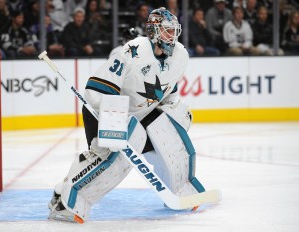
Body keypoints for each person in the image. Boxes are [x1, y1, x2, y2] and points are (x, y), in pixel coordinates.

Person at [48, 7, 205, 223]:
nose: (173, 36)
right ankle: (65, 198)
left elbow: (169, 95)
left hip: (141, 115)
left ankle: (181, 187)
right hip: (105, 113)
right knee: (111, 160)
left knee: (179, 115)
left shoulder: (180, 56)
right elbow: (95, 91)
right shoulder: (133, 51)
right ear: (154, 32)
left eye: (173, 31)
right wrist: (115, 118)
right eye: (167, 31)